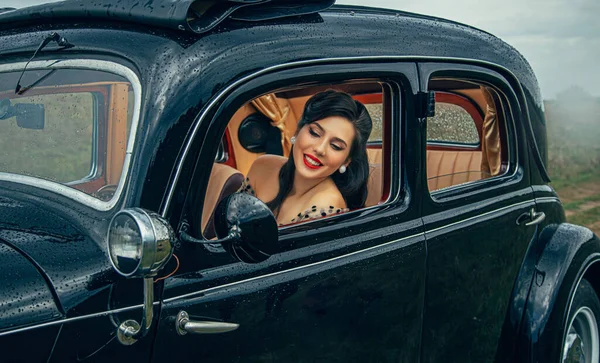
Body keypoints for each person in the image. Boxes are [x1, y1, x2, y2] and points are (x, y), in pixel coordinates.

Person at [241, 90, 373, 225]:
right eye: (315, 133)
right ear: (298, 130)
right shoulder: (263, 166)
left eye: (335, 146)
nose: (320, 149)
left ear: (346, 160)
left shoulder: (327, 207)